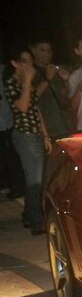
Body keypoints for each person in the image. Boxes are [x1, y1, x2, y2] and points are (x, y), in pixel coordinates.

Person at [3, 47, 51, 234]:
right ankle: (36, 220)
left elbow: (35, 109)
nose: (29, 65)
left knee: (37, 180)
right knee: (35, 181)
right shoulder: (12, 83)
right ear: (15, 63)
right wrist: (28, 81)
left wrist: (45, 134)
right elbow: (22, 107)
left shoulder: (25, 84)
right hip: (24, 136)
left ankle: (29, 215)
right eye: (24, 61)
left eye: (30, 61)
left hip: (36, 135)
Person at [29, 36, 72, 140]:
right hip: (46, 129)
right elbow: (32, 98)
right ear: (33, 51)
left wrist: (66, 80)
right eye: (42, 50)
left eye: (49, 50)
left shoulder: (55, 70)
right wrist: (47, 78)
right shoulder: (31, 72)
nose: (46, 54)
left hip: (64, 125)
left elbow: (65, 97)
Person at [0, 63, 27, 199]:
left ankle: (16, 186)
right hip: (5, 120)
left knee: (11, 155)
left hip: (8, 121)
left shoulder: (5, 71)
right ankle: (7, 183)